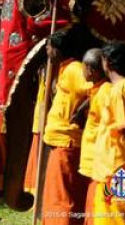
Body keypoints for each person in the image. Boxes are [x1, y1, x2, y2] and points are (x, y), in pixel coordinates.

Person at [88, 42, 125, 225]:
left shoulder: (121, 90)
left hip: (119, 165)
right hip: (115, 165)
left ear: (107, 62)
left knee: (119, 218)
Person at [40, 29, 89, 225]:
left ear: (58, 49)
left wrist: (79, 112)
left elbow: (96, 89)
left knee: (63, 199)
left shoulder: (75, 69)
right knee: (56, 196)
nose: (46, 49)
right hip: (60, 143)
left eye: (49, 47)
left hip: (67, 143)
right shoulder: (62, 68)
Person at [73, 48, 107, 223]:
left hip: (100, 163)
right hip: (93, 163)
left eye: (83, 68)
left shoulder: (105, 92)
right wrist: (80, 109)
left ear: (90, 70)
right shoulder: (96, 90)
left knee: (95, 213)